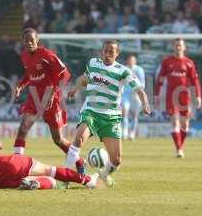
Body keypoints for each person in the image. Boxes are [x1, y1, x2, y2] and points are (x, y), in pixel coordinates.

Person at [64, 40, 151, 188]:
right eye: (105, 50)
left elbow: (139, 89)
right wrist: (76, 87)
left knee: (116, 161)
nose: (108, 54)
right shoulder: (93, 63)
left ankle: (102, 175)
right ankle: (64, 179)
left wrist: (145, 103)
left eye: (112, 51)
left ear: (117, 54)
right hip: (91, 112)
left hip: (111, 118)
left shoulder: (123, 71)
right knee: (78, 139)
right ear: (102, 51)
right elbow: (84, 78)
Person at [13, 28, 84, 168]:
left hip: (51, 100)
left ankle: (79, 162)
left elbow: (65, 74)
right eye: (26, 41)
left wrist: (53, 93)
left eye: (31, 40)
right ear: (22, 41)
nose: (29, 43)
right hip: (34, 98)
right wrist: (20, 86)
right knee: (22, 129)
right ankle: (16, 165)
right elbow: (29, 75)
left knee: (58, 140)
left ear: (37, 40)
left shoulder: (47, 54)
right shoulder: (24, 56)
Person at [154, 38, 202, 158]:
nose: (178, 47)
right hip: (171, 96)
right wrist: (156, 94)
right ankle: (179, 149)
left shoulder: (189, 63)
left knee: (185, 125)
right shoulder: (167, 62)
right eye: (176, 45)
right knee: (175, 121)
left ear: (184, 47)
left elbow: (195, 80)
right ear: (173, 47)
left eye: (180, 45)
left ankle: (180, 146)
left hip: (185, 96)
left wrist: (198, 95)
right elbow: (160, 78)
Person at [121, 54, 146, 140]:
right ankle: (124, 132)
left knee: (135, 115)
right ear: (127, 60)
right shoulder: (123, 69)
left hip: (135, 95)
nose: (131, 61)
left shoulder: (139, 70)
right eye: (130, 59)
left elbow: (142, 84)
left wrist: (138, 92)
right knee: (125, 112)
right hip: (125, 94)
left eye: (133, 60)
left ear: (135, 61)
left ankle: (132, 133)